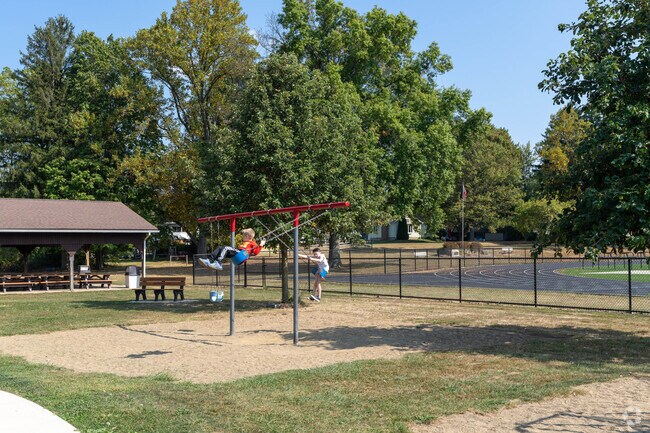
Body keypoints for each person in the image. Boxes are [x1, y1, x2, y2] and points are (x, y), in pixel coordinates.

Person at [198, 228, 265, 270]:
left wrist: (261, 244)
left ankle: (218, 263)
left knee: (226, 248)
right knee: (220, 248)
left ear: (247, 236)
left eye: (243, 235)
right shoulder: (245, 242)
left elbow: (256, 252)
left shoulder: (252, 243)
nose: (242, 237)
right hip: (237, 256)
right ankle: (209, 260)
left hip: (241, 255)